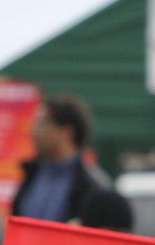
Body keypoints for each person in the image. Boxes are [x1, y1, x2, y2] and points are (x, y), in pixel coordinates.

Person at [11, 94, 110, 224]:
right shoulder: (32, 174)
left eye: (43, 124)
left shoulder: (93, 187)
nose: (34, 132)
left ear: (66, 133)